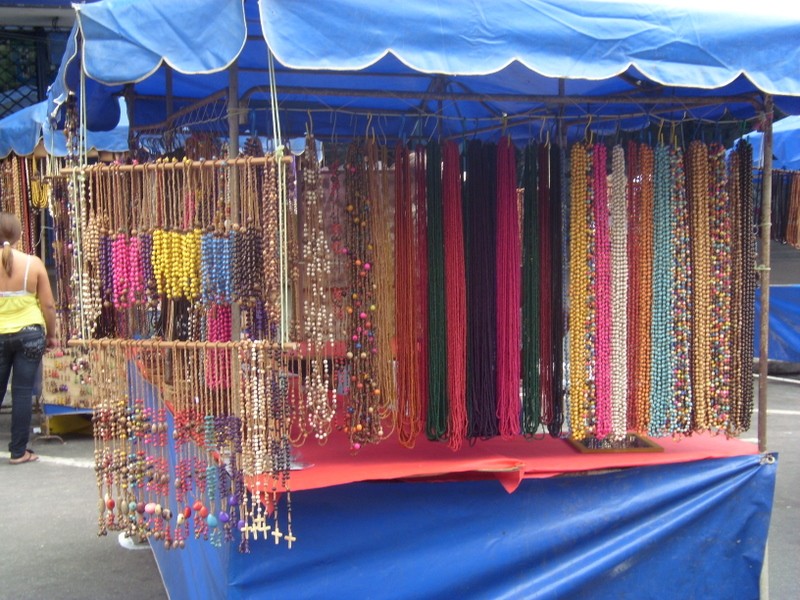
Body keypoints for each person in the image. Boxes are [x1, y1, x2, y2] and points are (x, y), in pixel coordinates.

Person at [0, 212, 57, 464]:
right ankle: (18, 451)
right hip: (30, 334)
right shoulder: (33, 264)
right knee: (22, 393)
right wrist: (51, 335)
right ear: (19, 235)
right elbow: (48, 306)